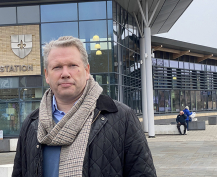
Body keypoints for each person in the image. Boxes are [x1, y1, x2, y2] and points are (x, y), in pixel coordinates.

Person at [12, 36, 156, 177]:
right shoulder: (31, 124)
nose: (65, 74)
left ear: (87, 71)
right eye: (57, 67)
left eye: (73, 66)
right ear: (47, 75)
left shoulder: (121, 117)